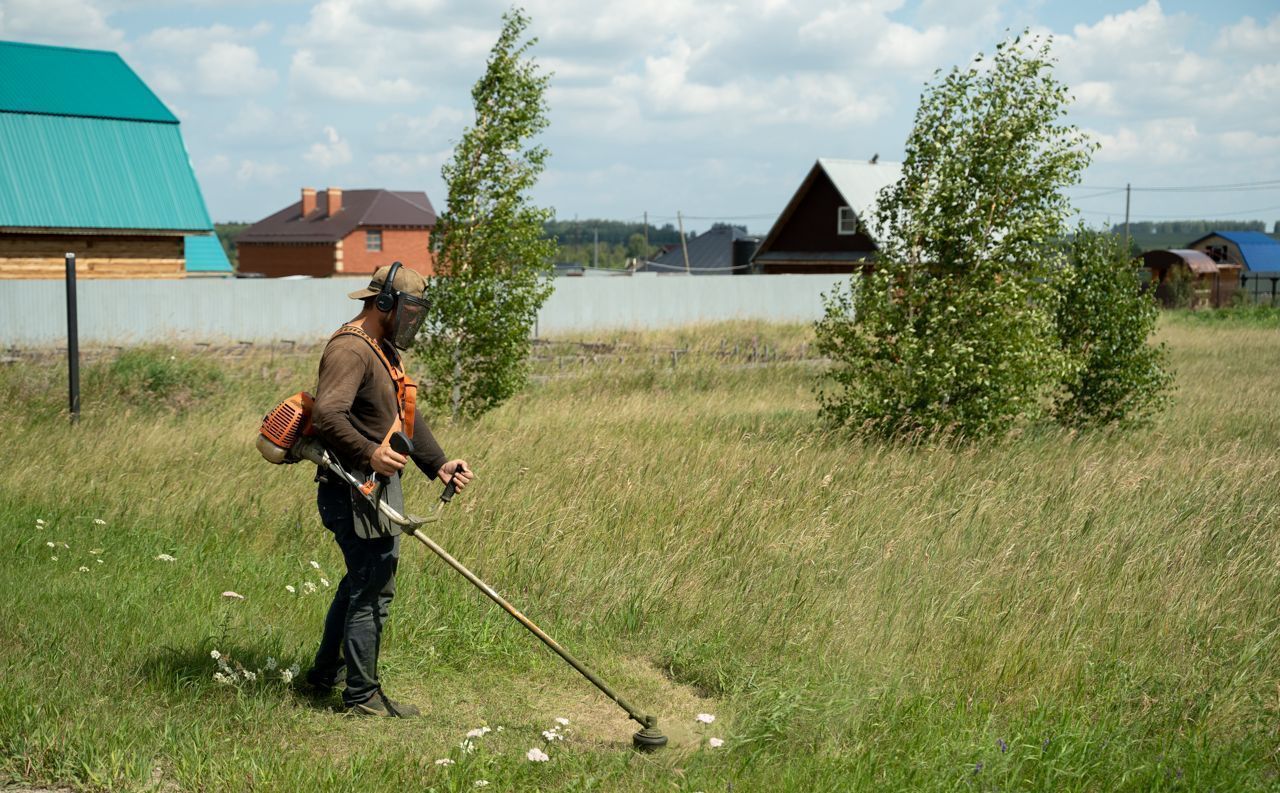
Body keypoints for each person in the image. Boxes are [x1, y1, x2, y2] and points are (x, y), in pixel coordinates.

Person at [305, 262, 473, 717]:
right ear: (383, 304)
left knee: (360, 581)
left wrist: (439, 464)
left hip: (373, 488)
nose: (414, 321)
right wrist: (369, 454)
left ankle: (325, 674)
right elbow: (327, 416)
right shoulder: (351, 350)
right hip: (353, 490)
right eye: (411, 310)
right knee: (372, 587)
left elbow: (404, 418)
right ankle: (362, 698)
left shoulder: (382, 349)